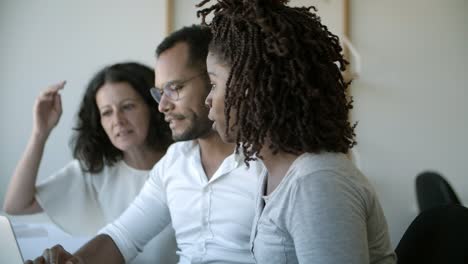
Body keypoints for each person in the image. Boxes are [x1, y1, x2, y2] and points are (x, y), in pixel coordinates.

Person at [26, 25, 262, 264]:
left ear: (215, 81)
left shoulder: (268, 162)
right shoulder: (175, 161)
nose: (163, 106)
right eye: (160, 93)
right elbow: (123, 237)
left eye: (175, 88)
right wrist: (73, 261)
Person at [201, 0, 397, 263]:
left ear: (251, 87)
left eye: (214, 83)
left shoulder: (316, 182)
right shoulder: (273, 172)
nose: (208, 99)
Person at [4, 62, 178, 263]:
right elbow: (16, 205)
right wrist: (40, 133)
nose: (118, 120)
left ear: (153, 106)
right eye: (107, 112)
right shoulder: (95, 170)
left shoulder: (182, 162)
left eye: (127, 107)